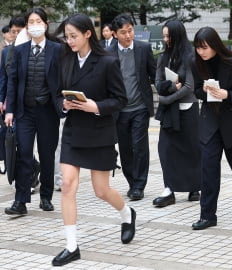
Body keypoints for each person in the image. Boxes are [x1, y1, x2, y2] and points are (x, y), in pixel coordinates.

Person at [51, 13, 134, 266]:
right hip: (74, 131)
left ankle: (127, 213)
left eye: (73, 36)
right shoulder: (65, 59)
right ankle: (72, 245)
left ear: (88, 34)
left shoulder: (108, 62)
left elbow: (121, 100)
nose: (70, 41)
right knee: (67, 185)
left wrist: (95, 106)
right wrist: (64, 105)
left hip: (99, 133)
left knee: (102, 191)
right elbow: (56, 95)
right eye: (66, 37)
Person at [191, 26, 232, 230]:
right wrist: (204, 91)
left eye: (205, 47)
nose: (201, 52)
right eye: (198, 48)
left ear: (215, 45)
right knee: (208, 168)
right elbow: (195, 91)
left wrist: (227, 95)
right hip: (211, 123)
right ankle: (208, 215)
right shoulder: (196, 64)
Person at [4, 7, 61, 215]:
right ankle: (21, 201)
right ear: (26, 28)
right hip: (24, 112)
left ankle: (46, 197)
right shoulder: (20, 50)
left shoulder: (57, 49)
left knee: (47, 156)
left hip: (48, 112)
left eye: (38, 21)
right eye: (31, 22)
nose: (34, 25)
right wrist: (9, 110)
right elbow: (13, 81)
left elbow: (63, 79)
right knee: (24, 154)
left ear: (45, 25)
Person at [152, 20, 201, 207]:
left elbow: (189, 86)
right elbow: (157, 83)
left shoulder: (190, 56)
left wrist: (166, 99)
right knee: (165, 149)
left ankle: (194, 187)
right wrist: (172, 87)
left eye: (168, 36)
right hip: (169, 112)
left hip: (187, 110)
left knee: (191, 150)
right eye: (164, 36)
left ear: (177, 35)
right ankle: (169, 188)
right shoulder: (163, 57)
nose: (166, 39)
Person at [108, 14, 156, 201]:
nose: (128, 35)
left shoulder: (143, 49)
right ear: (114, 34)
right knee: (125, 148)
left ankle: (139, 185)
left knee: (140, 146)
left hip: (140, 107)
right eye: (123, 32)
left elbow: (154, 74)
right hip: (119, 110)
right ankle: (131, 182)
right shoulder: (108, 52)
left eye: (130, 31)